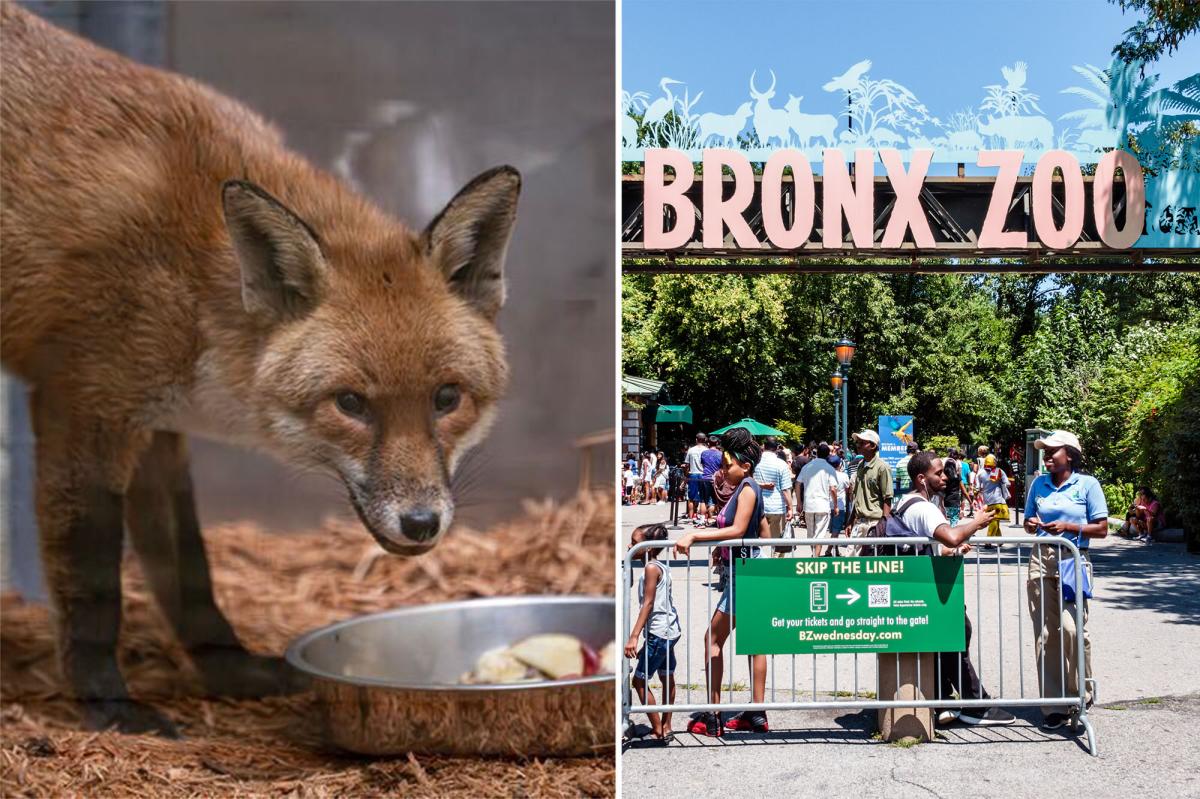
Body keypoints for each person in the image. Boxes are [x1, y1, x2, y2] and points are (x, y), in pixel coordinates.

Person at [894, 452, 1014, 726]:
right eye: (939, 473)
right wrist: (977, 522)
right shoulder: (924, 508)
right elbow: (949, 534)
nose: (945, 476)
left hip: (923, 586)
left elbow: (927, 545)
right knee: (958, 636)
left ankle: (945, 700)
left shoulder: (907, 502)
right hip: (931, 590)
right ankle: (975, 705)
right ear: (922, 478)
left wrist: (949, 551)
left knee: (949, 643)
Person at [674, 430, 771, 736]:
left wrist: (695, 535)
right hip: (747, 569)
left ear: (744, 464)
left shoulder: (746, 488)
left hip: (743, 574)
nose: (722, 469)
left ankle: (714, 715)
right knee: (755, 643)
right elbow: (763, 533)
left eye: (727, 463)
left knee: (712, 640)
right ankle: (756, 714)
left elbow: (740, 528)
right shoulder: (749, 487)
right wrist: (726, 547)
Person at [1022, 430, 1108, 730]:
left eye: (1052, 451)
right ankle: (1053, 706)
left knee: (1073, 629)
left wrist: (1069, 527)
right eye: (1044, 451)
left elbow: (1102, 528)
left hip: (1074, 558)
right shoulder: (1039, 484)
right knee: (1046, 634)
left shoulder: (1087, 484)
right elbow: (1027, 522)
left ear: (1069, 454)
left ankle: (1080, 697)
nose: (1046, 456)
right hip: (1041, 559)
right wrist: (1031, 524)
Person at [625, 523, 681, 742]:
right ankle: (666, 725)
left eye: (635, 543)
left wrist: (634, 636)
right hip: (669, 630)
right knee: (667, 676)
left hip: (659, 632)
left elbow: (647, 604)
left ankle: (658, 728)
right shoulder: (659, 566)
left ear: (648, 547)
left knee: (639, 681)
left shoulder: (650, 569)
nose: (630, 545)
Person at [846, 430, 893, 555]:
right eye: (857, 442)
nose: (858, 445)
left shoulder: (882, 467)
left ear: (873, 446)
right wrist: (850, 521)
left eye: (862, 442)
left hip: (874, 522)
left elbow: (887, 498)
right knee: (850, 562)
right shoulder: (860, 466)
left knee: (871, 562)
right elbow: (857, 496)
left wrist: (883, 525)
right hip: (859, 522)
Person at [753, 436, 794, 557]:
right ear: (777, 448)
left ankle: (758, 563)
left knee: (756, 540)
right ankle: (775, 568)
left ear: (764, 446)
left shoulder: (755, 462)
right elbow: (786, 489)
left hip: (758, 506)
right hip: (776, 507)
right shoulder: (781, 464)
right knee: (777, 543)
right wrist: (790, 507)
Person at [797, 442, 840, 556]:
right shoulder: (829, 469)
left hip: (809, 505)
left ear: (816, 453)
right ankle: (815, 558)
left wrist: (799, 502)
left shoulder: (807, 467)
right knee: (820, 535)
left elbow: (797, 483)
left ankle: (813, 554)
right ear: (828, 455)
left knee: (811, 534)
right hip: (823, 505)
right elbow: (833, 489)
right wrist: (835, 505)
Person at [978, 454, 1011, 539]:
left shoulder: (980, 472)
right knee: (995, 520)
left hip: (987, 501)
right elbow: (1007, 484)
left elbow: (977, 488)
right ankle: (988, 541)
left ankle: (999, 540)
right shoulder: (999, 471)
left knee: (994, 520)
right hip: (997, 500)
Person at [700, 435, 723, 526]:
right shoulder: (720, 454)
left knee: (703, 500)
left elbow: (702, 464)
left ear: (708, 443)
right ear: (717, 443)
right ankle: (710, 519)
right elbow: (722, 467)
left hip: (705, 477)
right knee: (714, 500)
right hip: (716, 479)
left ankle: (702, 519)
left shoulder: (704, 453)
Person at [685, 434, 707, 525]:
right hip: (704, 475)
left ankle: (691, 517)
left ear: (696, 439)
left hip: (693, 474)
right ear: (705, 439)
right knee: (703, 497)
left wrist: (686, 475)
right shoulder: (707, 450)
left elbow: (687, 464)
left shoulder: (691, 450)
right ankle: (703, 517)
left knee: (691, 497)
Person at [828, 453, 850, 540]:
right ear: (840, 464)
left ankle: (835, 550)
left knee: (833, 529)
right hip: (839, 506)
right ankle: (829, 550)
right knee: (836, 530)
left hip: (827, 505)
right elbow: (848, 490)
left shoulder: (826, 474)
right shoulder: (844, 476)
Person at [942, 449, 964, 525]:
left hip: (945, 500)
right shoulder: (958, 466)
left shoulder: (943, 478)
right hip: (955, 500)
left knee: (944, 521)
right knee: (954, 520)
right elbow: (963, 491)